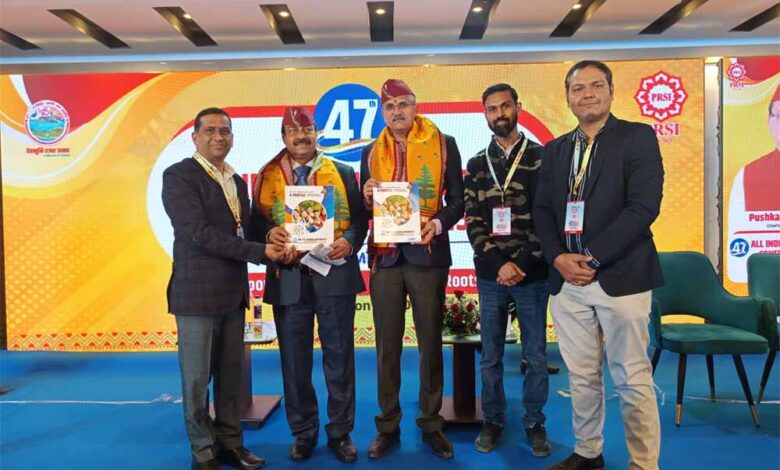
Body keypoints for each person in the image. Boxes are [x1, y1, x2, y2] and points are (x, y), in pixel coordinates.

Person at [533, 61, 664, 470]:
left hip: (621, 278)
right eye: (578, 88)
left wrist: (590, 258)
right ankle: (588, 452)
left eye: (596, 86)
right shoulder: (556, 149)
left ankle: (644, 463)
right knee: (581, 376)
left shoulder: (637, 137)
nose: (587, 94)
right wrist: (558, 258)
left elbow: (643, 207)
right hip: (568, 283)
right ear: (567, 96)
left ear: (610, 91)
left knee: (632, 377)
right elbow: (542, 210)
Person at [162, 107, 287, 470]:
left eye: (225, 131)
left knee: (231, 378)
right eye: (210, 130)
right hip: (196, 296)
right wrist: (260, 251)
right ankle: (203, 452)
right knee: (197, 381)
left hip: (233, 294)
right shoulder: (179, 176)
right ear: (195, 137)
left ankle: (232, 444)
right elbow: (198, 234)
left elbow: (246, 226)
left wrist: (270, 234)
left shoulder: (236, 180)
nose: (218, 137)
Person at [251, 106, 368, 463]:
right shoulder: (267, 175)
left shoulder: (343, 172)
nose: (301, 137)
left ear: (317, 134)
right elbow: (255, 223)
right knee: (294, 363)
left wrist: (349, 240)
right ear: (283, 137)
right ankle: (303, 433)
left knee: (340, 360)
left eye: (307, 130)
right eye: (293, 131)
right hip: (288, 279)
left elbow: (360, 219)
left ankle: (340, 432)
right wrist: (269, 233)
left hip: (334, 275)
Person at [360, 79, 464, 460]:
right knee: (386, 347)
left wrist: (436, 223)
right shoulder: (371, 151)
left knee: (430, 344)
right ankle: (387, 426)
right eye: (389, 107)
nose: (397, 112)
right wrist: (366, 194)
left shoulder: (443, 143)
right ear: (383, 113)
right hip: (385, 258)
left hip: (427, 255)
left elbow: (459, 202)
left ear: (415, 107)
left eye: (403, 104)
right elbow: (364, 204)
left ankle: (431, 423)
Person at [464, 83, 551, 456]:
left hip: (533, 273)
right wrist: (500, 265)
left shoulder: (541, 158)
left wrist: (521, 264)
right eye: (492, 109)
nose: (499, 114)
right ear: (485, 114)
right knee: (490, 356)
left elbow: (549, 220)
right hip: (491, 275)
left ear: (518, 107)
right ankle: (493, 419)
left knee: (536, 356)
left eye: (505, 106)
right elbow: (473, 222)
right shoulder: (476, 164)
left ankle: (534, 422)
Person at [726, 85, 780, 282]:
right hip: (767, 280)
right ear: (769, 121)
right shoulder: (747, 174)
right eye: (779, 116)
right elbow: (738, 250)